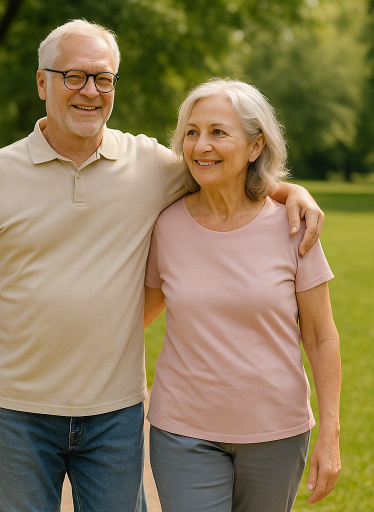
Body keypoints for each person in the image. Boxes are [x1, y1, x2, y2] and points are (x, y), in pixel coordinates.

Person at [0, 20, 326, 512]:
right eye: (74, 76)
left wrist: (292, 191)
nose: (90, 91)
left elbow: (223, 168)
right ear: (42, 83)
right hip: (17, 408)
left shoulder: (148, 165)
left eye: (103, 79)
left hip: (114, 412)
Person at [143, 79, 342, 512]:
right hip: (182, 431)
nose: (201, 145)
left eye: (218, 132)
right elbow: (140, 314)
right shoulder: (166, 226)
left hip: (277, 432)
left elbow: (321, 336)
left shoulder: (295, 227)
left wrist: (331, 432)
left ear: (255, 146)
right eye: (191, 132)